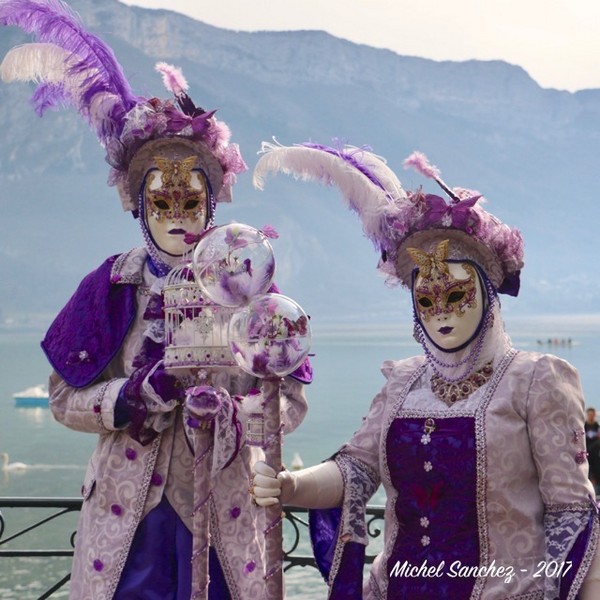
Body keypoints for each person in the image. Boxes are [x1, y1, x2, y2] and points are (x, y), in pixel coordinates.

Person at [0, 2, 311, 599]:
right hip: (128, 521)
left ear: (210, 206)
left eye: (189, 203)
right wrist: (133, 395)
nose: (177, 217)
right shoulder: (110, 285)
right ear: (139, 205)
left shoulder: (251, 288)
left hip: (224, 521)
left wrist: (226, 415)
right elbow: (63, 397)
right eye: (161, 204)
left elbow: (288, 403)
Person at [251, 142, 600, 599]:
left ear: (488, 294)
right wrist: (291, 484)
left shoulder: (537, 382)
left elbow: (573, 514)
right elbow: (357, 471)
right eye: (426, 299)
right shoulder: (402, 381)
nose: (441, 312)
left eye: (456, 295)